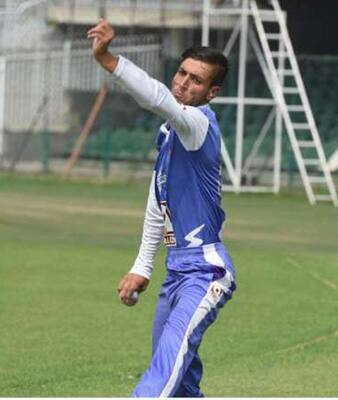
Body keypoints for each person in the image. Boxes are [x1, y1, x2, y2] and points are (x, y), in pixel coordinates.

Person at [88, 19, 237, 397]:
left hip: (205, 273)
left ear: (211, 92)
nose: (184, 83)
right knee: (182, 381)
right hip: (176, 270)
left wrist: (108, 59)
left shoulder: (196, 124)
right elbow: (159, 202)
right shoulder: (171, 133)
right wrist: (142, 265)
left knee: (163, 371)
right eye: (182, 73)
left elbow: (156, 96)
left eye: (197, 80)